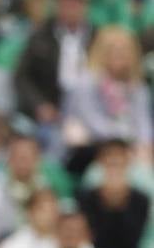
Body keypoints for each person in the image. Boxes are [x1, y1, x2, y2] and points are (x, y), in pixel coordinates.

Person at [62, 25, 154, 169]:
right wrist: (125, 140)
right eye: (113, 49)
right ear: (101, 52)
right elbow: (93, 122)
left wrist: (144, 145)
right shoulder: (86, 82)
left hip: (131, 149)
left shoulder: (138, 87)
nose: (119, 54)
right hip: (93, 148)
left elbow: (144, 124)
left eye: (124, 50)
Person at [13, 0, 92, 134]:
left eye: (76, 4)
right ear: (58, 6)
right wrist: (39, 105)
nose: (71, 9)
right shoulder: (40, 35)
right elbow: (22, 76)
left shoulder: (96, 37)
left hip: (86, 109)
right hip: (49, 106)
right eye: (67, 3)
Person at [76, 138, 149, 248]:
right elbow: (93, 237)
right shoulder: (86, 197)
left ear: (128, 160)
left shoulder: (141, 199)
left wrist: (122, 200)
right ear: (100, 161)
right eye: (109, 156)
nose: (114, 162)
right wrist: (107, 200)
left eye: (119, 157)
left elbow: (132, 240)